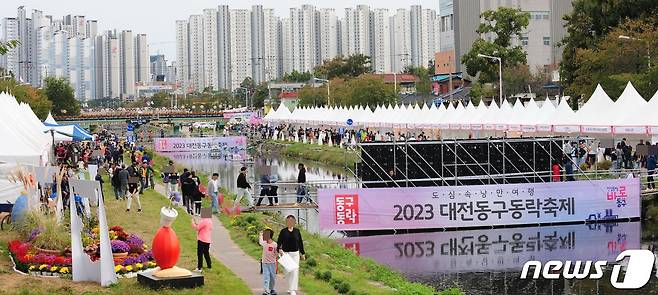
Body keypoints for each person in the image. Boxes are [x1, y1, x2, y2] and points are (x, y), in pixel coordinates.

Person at [277, 215, 305, 295]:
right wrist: (279, 249)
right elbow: (279, 241)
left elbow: (300, 242)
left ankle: (292, 289)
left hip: (295, 254)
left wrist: (302, 253)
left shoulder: (297, 231)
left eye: (292, 221)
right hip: (286, 254)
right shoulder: (283, 231)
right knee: (287, 271)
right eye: (288, 221)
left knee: (294, 271)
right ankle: (289, 287)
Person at [259, 228, 278, 295]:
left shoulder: (275, 244)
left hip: (272, 263)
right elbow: (260, 241)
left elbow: (277, 253)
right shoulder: (264, 243)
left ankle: (271, 289)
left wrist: (279, 253)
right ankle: (266, 290)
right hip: (265, 263)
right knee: (266, 277)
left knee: (272, 278)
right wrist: (260, 234)